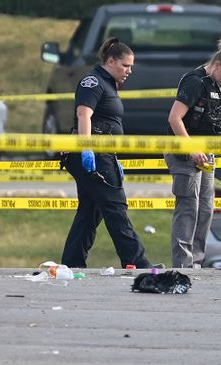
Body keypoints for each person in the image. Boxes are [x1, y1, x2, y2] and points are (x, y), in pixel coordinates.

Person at [61, 37, 153, 269]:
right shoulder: (93, 81)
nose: (129, 71)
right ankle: (138, 262)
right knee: (115, 206)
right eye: (126, 65)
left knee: (90, 212)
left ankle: (72, 263)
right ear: (110, 61)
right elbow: (84, 115)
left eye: (131, 66)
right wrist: (87, 149)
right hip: (95, 153)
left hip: (104, 154)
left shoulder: (108, 83)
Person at [165, 36, 221, 269]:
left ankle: (197, 262)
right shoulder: (194, 82)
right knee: (188, 207)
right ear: (217, 65)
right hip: (184, 153)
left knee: (206, 209)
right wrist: (192, 150)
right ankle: (183, 265)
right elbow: (174, 118)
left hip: (207, 155)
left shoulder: (217, 86)